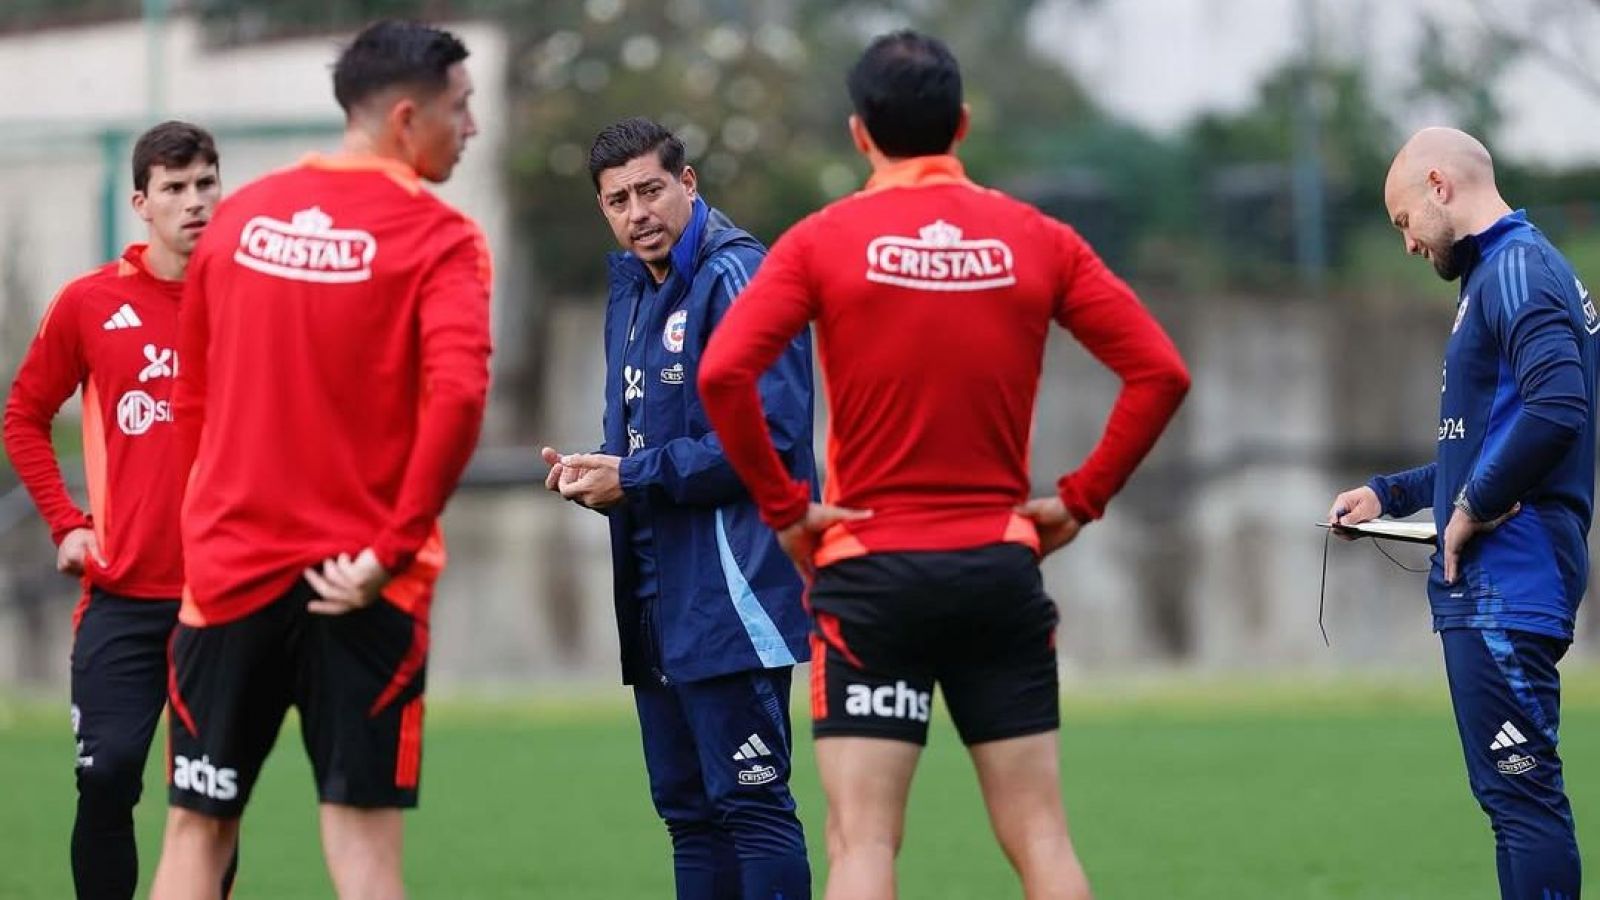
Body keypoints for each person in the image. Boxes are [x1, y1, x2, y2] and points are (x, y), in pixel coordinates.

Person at [699, 30, 1190, 900]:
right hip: (998, 573)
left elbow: (723, 372)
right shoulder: (1037, 237)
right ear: (961, 124)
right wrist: (1080, 500)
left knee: (862, 847)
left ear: (859, 133)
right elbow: (1160, 371)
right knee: (1041, 838)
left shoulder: (822, 239)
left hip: (869, 577)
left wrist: (783, 510)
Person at [148, 20, 490, 900]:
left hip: (230, 576)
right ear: (407, 118)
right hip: (366, 582)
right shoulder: (442, 238)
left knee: (196, 829)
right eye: (462, 107)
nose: (474, 126)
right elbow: (456, 401)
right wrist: (394, 545)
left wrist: (206, 533)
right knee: (364, 854)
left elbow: (192, 398)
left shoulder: (239, 222)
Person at [541, 117, 814, 900]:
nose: (638, 212)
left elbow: (771, 442)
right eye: (617, 199)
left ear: (688, 184)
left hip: (732, 591)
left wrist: (634, 476)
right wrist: (598, 476)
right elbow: (646, 447)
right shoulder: (632, 288)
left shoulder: (738, 278)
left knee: (753, 807)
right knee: (688, 815)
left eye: (652, 189)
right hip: (657, 590)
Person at [1327, 127, 1589, 900]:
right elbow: (1491, 437)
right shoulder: (1504, 273)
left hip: (1509, 582)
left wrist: (1472, 507)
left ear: (1439, 186)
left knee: (1523, 800)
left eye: (1404, 220)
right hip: (1501, 582)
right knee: (1511, 804)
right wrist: (1394, 493)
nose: (1406, 244)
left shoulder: (1516, 269)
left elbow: (1558, 408)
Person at [2, 121, 231, 900]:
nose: (194, 201)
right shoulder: (91, 303)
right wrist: (67, 523)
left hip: (223, 601)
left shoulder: (251, 300)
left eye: (206, 183)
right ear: (142, 201)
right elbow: (23, 415)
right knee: (106, 781)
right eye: (174, 187)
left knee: (207, 801)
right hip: (123, 597)